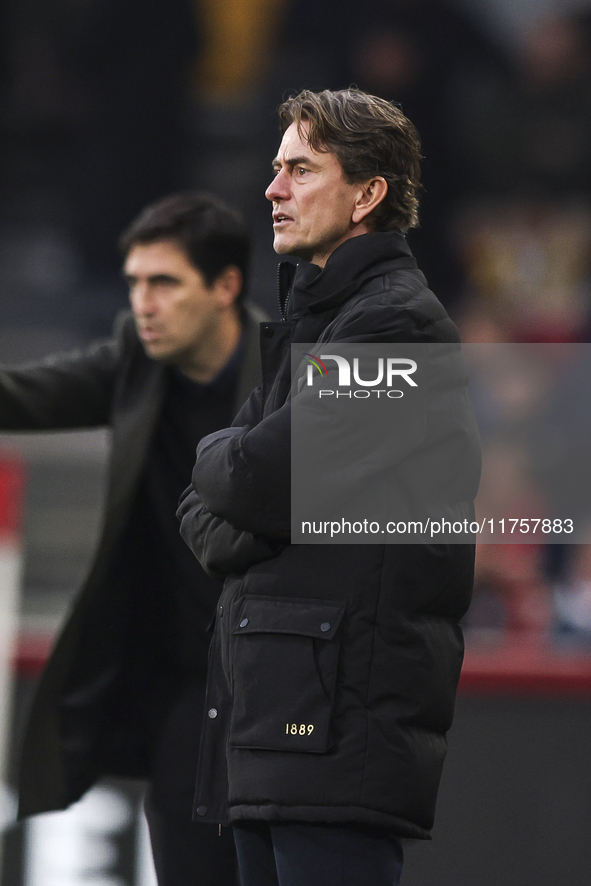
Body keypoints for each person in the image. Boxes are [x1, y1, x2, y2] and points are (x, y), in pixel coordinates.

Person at [178, 89, 480, 886]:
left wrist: (228, 465)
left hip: (333, 730)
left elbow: (251, 482)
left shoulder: (396, 326)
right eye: (276, 169)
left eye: (300, 169)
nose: (272, 189)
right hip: (277, 727)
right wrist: (239, 479)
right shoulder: (314, 326)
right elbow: (203, 506)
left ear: (367, 194)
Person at [3, 192, 266, 886]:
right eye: (135, 283)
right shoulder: (135, 361)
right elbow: (22, 394)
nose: (143, 302)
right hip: (180, 688)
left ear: (225, 288)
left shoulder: (292, 376)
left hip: (274, 685)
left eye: (164, 283)